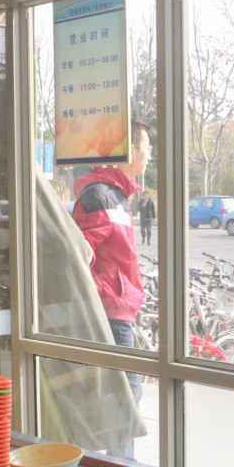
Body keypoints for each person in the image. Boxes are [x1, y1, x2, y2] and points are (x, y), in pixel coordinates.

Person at [71, 120, 151, 408]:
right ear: (131, 150)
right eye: (147, 148)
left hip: (117, 307)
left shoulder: (117, 195)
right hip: (109, 310)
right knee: (127, 397)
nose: (149, 155)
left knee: (122, 396)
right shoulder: (101, 196)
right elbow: (79, 252)